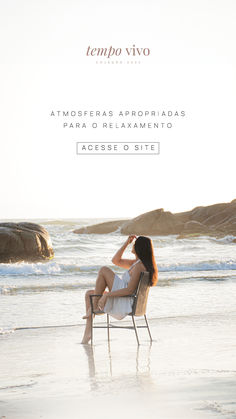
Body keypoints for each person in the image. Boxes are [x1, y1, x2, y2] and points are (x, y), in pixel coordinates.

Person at [81, 235, 158, 344]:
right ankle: (88, 332)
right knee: (89, 293)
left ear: (139, 248)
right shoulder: (137, 264)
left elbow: (129, 290)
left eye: (134, 244)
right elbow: (115, 260)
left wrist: (107, 295)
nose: (133, 245)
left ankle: (92, 310)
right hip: (125, 299)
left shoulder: (140, 266)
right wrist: (126, 243)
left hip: (126, 301)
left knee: (104, 270)